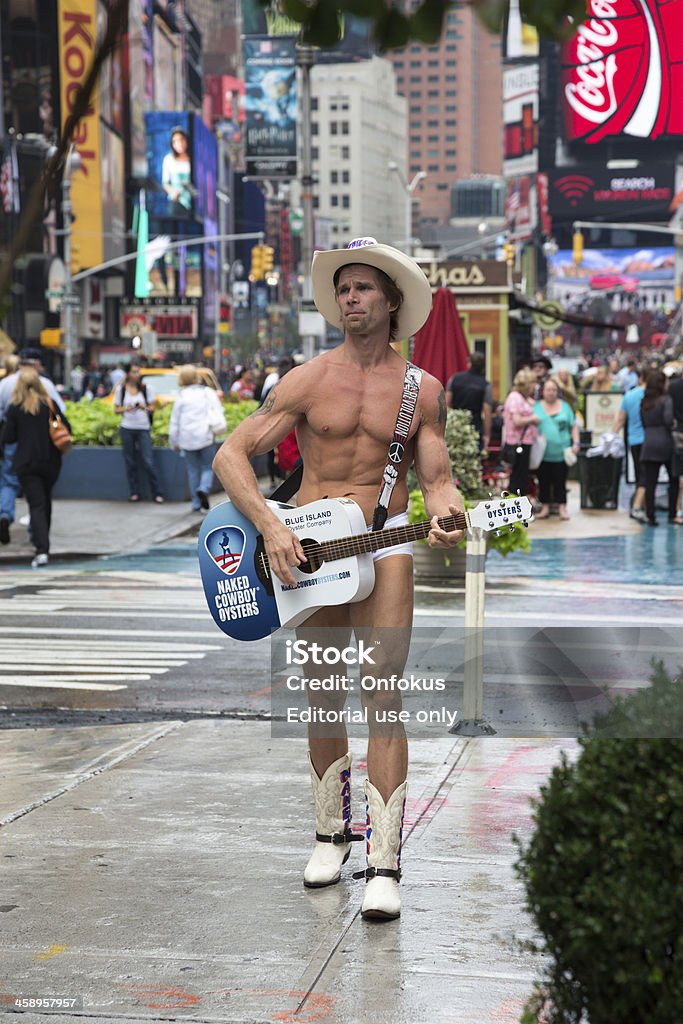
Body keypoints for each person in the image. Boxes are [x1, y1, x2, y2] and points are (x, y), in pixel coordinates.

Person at [212, 238, 465, 920]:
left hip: (383, 544)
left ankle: (385, 860)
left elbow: (437, 482)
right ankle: (331, 835)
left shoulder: (422, 390)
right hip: (312, 551)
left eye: (362, 289)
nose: (350, 298)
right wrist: (270, 525)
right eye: (343, 289)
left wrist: (447, 513)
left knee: (381, 695)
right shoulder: (306, 378)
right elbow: (230, 455)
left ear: (389, 302)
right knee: (323, 693)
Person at [2, 367, 71, 567]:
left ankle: (41, 548)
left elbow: (9, 437)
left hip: (26, 462)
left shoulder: (15, 407)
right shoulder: (49, 404)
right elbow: (67, 426)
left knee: (36, 504)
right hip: (51, 460)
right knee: (45, 501)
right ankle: (42, 543)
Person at [169, 365, 226, 512]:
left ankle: (195, 503)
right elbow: (218, 410)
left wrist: (174, 442)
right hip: (205, 436)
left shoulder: (181, 397)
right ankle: (204, 488)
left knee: (192, 470)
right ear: (196, 377)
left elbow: (174, 422)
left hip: (186, 439)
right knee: (208, 467)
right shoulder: (206, 393)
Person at [114, 364, 164, 503]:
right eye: (134, 372)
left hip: (143, 427)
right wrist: (126, 409)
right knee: (130, 462)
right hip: (127, 427)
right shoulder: (121, 390)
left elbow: (153, 408)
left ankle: (157, 493)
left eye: (138, 371)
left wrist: (145, 407)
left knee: (148, 461)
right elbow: (116, 409)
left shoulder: (146, 389)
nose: (137, 374)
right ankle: (134, 492)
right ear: (128, 374)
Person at [533, 378, 580, 521]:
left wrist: (576, 443)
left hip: (562, 451)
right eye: (548, 390)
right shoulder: (535, 407)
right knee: (543, 480)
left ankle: (562, 508)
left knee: (561, 480)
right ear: (543, 392)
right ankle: (545, 507)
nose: (551, 393)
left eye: (554, 390)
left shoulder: (565, 406)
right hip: (542, 453)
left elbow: (573, 426)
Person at [639, 370, 681, 526]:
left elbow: (643, 422)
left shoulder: (644, 401)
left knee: (650, 482)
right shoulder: (666, 400)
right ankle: (672, 514)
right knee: (673, 479)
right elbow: (668, 420)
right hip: (665, 442)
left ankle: (651, 516)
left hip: (649, 442)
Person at [502, 368, 540, 498]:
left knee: (522, 475)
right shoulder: (515, 398)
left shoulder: (522, 398)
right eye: (533, 384)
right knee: (518, 476)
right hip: (518, 443)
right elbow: (517, 421)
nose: (535, 387)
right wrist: (533, 419)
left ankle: (518, 502)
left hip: (524, 443)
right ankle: (515, 503)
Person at [615, 367, 647, 522]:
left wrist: (612, 436)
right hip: (651, 440)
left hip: (634, 440)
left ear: (640, 378)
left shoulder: (629, 395)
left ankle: (641, 504)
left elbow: (620, 419)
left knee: (640, 473)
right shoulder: (655, 396)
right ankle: (639, 505)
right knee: (648, 475)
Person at [446, 351, 492, 450]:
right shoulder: (485, 385)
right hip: (475, 427)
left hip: (455, 426)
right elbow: (487, 412)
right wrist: (487, 434)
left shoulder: (454, 379)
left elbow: (446, 403)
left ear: (469, 363)